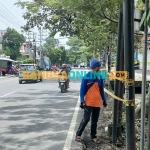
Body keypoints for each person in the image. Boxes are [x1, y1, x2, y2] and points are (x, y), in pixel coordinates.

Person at [75, 58, 107, 144]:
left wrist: (104, 100)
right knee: (86, 119)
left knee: (95, 121)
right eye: (98, 67)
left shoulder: (100, 77)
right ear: (94, 67)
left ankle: (93, 136)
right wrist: (82, 101)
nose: (99, 68)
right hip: (88, 102)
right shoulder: (86, 77)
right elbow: (82, 90)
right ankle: (78, 134)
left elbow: (101, 90)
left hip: (97, 103)